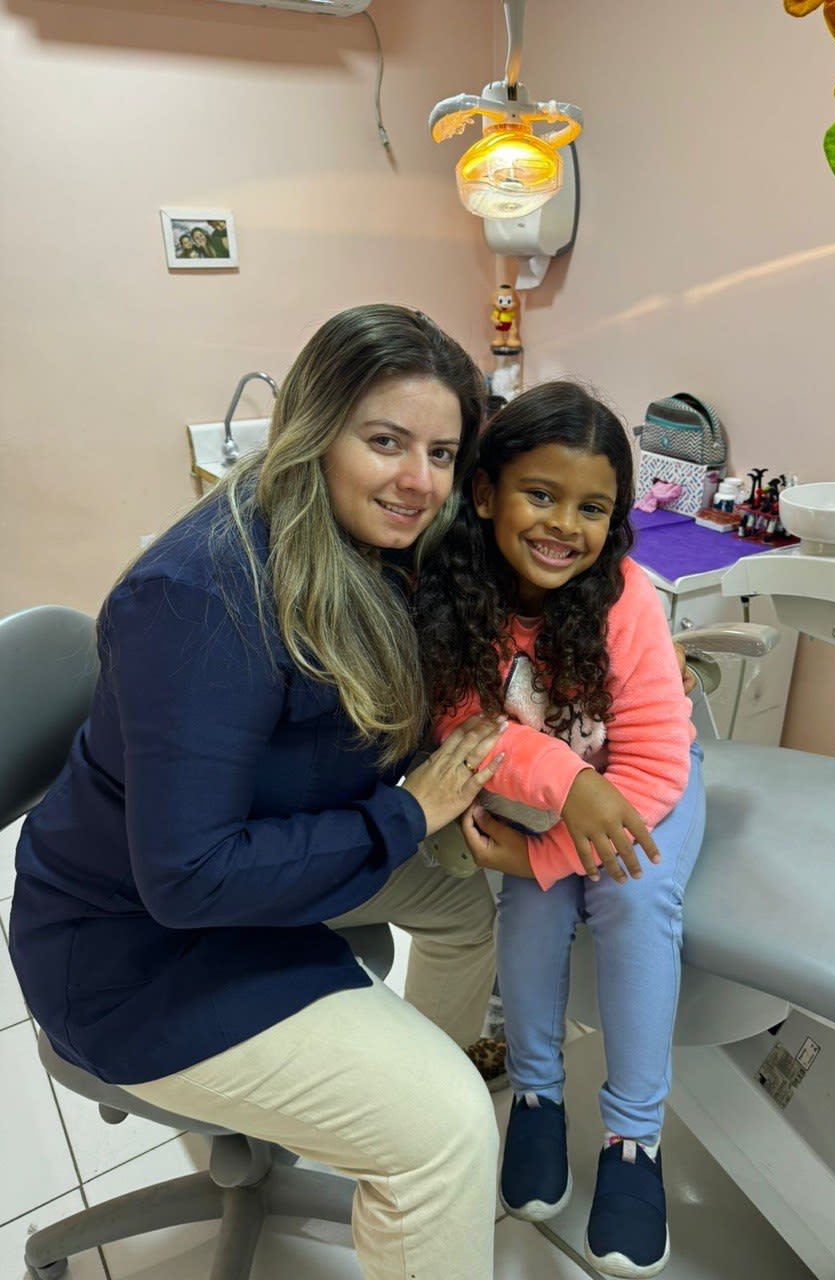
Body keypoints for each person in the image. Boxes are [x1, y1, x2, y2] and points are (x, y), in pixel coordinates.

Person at [9, 304, 510, 1280]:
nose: (419, 480)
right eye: (386, 441)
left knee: (459, 906)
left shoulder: (366, 542)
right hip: (135, 943)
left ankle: (400, 1113)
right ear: (314, 430)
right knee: (446, 1131)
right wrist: (409, 811)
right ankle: (424, 1146)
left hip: (252, 846)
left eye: (442, 453)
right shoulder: (204, 596)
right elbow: (188, 877)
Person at [414, 380, 706, 1279]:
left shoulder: (623, 600)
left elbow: (653, 762)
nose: (563, 527)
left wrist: (550, 847)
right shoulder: (456, 593)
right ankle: (537, 1097)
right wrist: (563, 792)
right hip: (559, 789)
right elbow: (464, 727)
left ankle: (635, 1140)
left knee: (634, 894)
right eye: (540, 495)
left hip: (648, 783)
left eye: (592, 508)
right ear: (486, 492)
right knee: (532, 910)